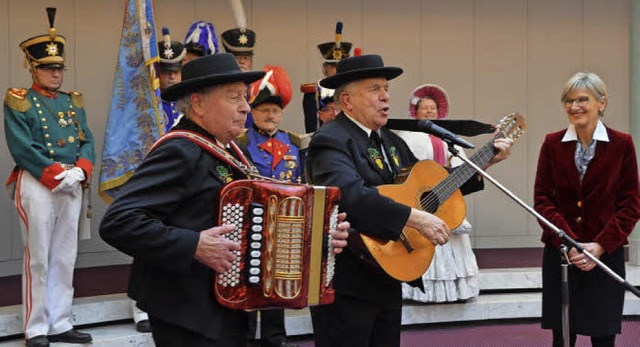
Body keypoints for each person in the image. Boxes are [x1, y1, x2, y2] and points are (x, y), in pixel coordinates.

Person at [99, 53, 350, 346]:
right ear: (198, 103)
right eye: (234, 98)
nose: (245, 107)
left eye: (244, 97)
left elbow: (262, 222)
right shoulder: (180, 150)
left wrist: (319, 236)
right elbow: (119, 222)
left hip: (226, 307)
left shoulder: (229, 150)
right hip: (187, 313)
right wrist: (194, 245)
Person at [305, 54, 513, 347]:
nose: (385, 97)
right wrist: (413, 218)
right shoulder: (331, 140)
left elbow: (431, 189)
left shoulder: (391, 141)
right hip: (347, 282)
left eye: (386, 89)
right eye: (375, 89)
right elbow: (349, 196)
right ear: (348, 101)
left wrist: (484, 162)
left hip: (388, 272)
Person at [3, 7, 94, 347]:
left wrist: (81, 170)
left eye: (59, 68)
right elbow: (21, 147)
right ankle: (36, 327)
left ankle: (60, 321)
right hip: (39, 183)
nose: (55, 73)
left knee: (65, 255)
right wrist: (59, 175)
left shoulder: (73, 102)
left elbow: (86, 139)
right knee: (38, 256)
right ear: (32, 67)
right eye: (47, 68)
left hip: (71, 183)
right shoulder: (19, 100)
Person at [534, 72, 640, 347]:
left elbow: (630, 204)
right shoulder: (552, 143)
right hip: (562, 255)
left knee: (603, 336)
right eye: (568, 101)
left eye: (583, 99)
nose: (574, 106)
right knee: (563, 335)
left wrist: (600, 246)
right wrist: (570, 244)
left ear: (601, 103)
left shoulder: (622, 144)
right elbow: (543, 201)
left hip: (604, 255)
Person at [397, 84, 480, 303]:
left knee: (451, 241)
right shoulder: (408, 136)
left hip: (448, 196)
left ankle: (454, 291)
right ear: (416, 111)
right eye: (424, 108)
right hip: (421, 199)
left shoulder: (449, 137)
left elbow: (463, 163)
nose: (429, 112)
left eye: (432, 108)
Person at [236, 66, 298, 347]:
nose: (270, 116)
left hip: (285, 221)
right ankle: (246, 336)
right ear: (253, 113)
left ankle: (276, 336)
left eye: (275, 111)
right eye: (264, 111)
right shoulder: (241, 143)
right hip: (252, 221)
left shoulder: (295, 143)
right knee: (249, 278)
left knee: (278, 278)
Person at [301, 21, 352, 133]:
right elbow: (311, 127)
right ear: (325, 67)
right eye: (333, 66)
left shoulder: (354, 90)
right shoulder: (313, 92)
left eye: (340, 65)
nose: (336, 70)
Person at [158, 27, 186, 133]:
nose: (172, 77)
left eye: (176, 72)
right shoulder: (150, 106)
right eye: (167, 72)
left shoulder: (189, 103)